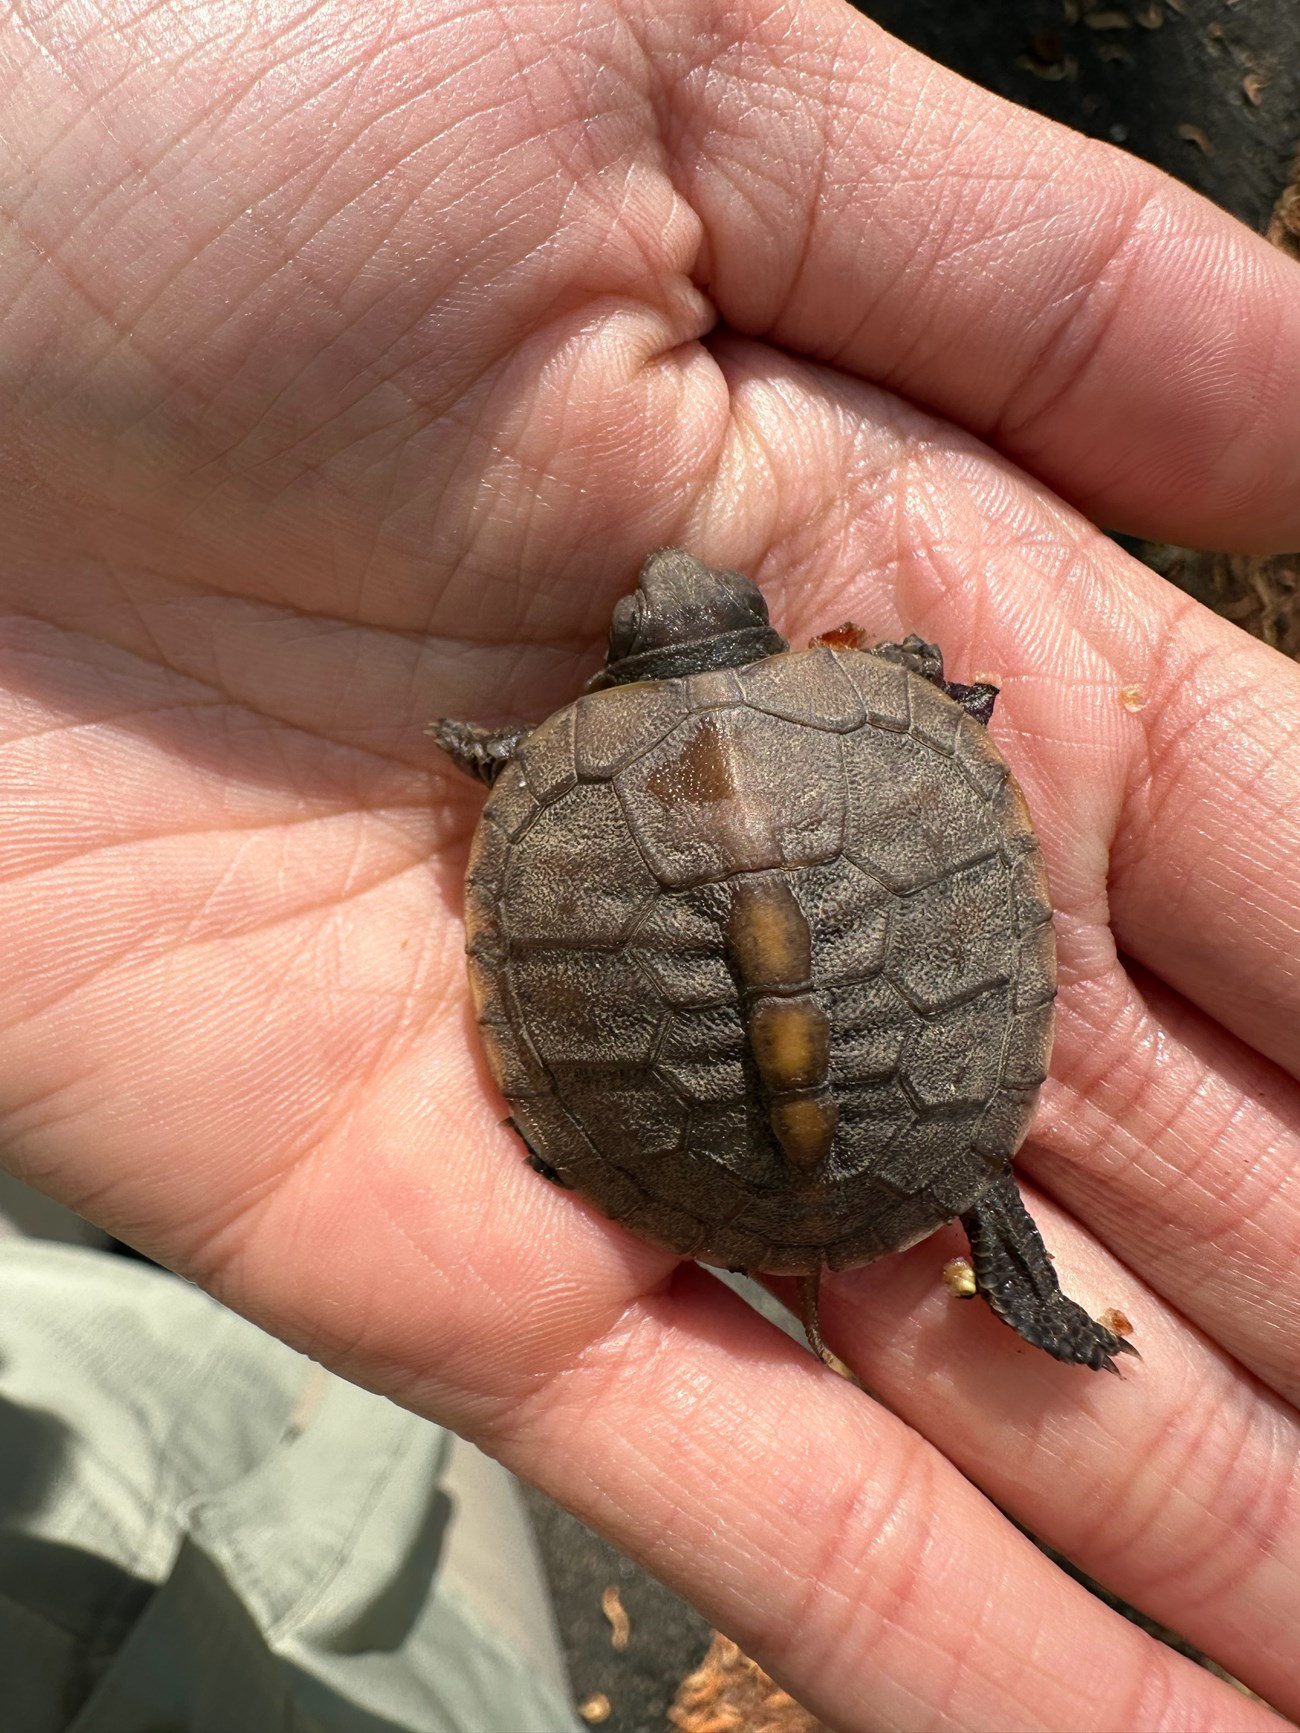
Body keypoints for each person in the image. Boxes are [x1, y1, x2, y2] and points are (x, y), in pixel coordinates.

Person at [0, 2, 1297, 1728]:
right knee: (941, 1140)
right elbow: (950, 723)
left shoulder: (542, 773)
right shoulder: (871, 703)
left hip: (648, 1057)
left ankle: (1007, 1281)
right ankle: (1029, 1285)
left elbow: (499, 771)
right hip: (876, 1035)